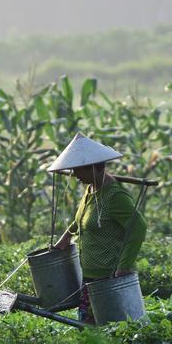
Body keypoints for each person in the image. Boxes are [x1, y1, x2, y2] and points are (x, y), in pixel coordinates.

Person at [49, 135, 147, 324]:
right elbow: (79, 221)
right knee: (89, 334)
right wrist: (64, 239)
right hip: (89, 277)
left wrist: (124, 265)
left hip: (108, 278)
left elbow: (138, 228)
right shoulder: (91, 190)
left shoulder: (115, 196)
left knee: (109, 332)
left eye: (78, 169)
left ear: (96, 167)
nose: (74, 174)